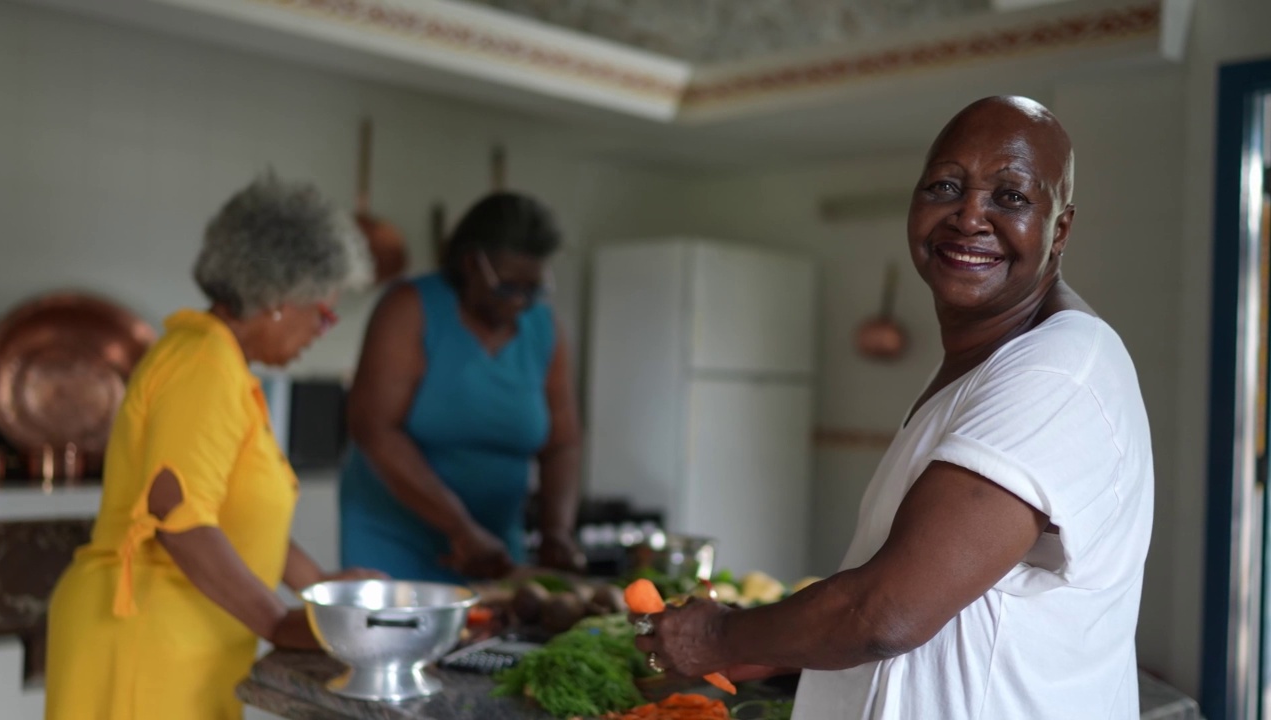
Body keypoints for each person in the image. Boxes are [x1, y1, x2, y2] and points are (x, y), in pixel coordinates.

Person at [632, 96, 1154, 720]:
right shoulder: (981, 362)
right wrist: (767, 643)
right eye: (945, 186)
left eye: (1009, 197)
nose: (968, 216)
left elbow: (886, 611)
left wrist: (713, 637)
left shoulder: (1060, 370)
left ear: (1060, 229)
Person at [45, 173, 387, 720]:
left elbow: (233, 515)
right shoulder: (203, 365)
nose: (324, 329)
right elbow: (178, 517)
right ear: (279, 297)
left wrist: (319, 587)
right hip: (145, 639)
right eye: (323, 313)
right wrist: (277, 620)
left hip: (189, 640)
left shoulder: (224, 366)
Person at [340, 191, 585, 583]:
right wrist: (459, 528)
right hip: (396, 538)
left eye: (533, 288)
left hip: (494, 543)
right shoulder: (409, 307)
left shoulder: (544, 327)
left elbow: (562, 442)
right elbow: (373, 428)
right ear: (471, 263)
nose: (521, 302)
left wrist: (557, 531)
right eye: (508, 287)